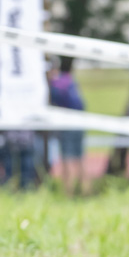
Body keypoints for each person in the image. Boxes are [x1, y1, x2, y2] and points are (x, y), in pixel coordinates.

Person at [48, 56, 88, 195]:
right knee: (80, 159)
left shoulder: (56, 84)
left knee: (67, 160)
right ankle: (85, 191)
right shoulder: (70, 81)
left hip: (68, 124)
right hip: (80, 123)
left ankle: (68, 194)